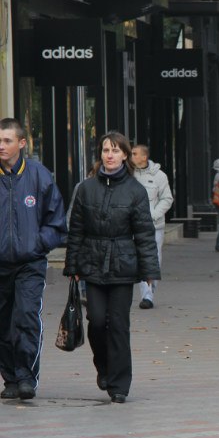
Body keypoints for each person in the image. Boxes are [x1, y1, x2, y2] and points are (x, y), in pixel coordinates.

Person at [65, 131, 160, 404]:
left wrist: (149, 272)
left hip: (123, 265)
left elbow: (144, 233)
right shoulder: (85, 189)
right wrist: (72, 266)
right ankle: (103, 368)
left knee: (118, 324)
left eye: (115, 151)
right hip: (92, 263)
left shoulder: (135, 191)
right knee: (96, 321)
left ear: (125, 156)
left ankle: (119, 384)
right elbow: (76, 231)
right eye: (106, 150)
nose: (110, 155)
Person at [0, 118, 67, 401]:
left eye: (7, 140)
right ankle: (11, 378)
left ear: (22, 143)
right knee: (3, 322)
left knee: (26, 316)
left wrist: (38, 244)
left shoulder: (39, 176)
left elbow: (57, 222)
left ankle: (27, 376)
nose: (1, 146)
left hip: (30, 263)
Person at [131, 144, 174, 308]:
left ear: (144, 157)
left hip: (154, 226)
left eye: (135, 154)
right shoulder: (129, 175)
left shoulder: (159, 176)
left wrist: (153, 215)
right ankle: (147, 296)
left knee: (154, 260)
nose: (131, 156)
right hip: (134, 226)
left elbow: (167, 198)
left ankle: (151, 289)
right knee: (140, 259)